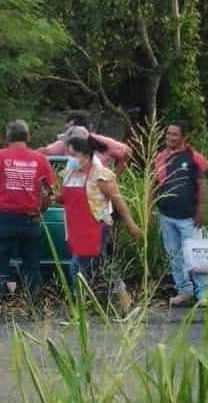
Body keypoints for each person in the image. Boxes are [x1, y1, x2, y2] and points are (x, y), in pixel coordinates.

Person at [60, 136, 143, 317]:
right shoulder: (69, 175)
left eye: (74, 154)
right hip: (77, 228)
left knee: (76, 266)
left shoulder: (101, 174)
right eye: (69, 154)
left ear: (86, 155)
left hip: (97, 227)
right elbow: (64, 198)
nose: (71, 158)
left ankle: (78, 310)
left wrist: (131, 224)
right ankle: (125, 301)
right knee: (101, 266)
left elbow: (117, 200)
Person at [0, 120, 55, 302]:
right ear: (27, 137)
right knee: (31, 264)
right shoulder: (40, 159)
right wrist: (41, 211)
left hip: (4, 218)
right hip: (29, 219)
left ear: (7, 138)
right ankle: (32, 304)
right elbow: (49, 192)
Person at [154, 122, 208, 307]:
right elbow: (154, 184)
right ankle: (184, 290)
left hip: (189, 218)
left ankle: (202, 292)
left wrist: (200, 211)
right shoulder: (161, 158)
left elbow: (202, 186)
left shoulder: (194, 158)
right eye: (168, 133)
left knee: (195, 255)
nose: (170, 137)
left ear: (183, 137)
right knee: (174, 255)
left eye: (174, 134)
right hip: (166, 215)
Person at [39, 119, 132, 176]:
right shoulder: (71, 160)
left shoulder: (95, 163)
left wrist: (114, 176)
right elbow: (44, 151)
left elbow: (126, 152)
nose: (67, 146)